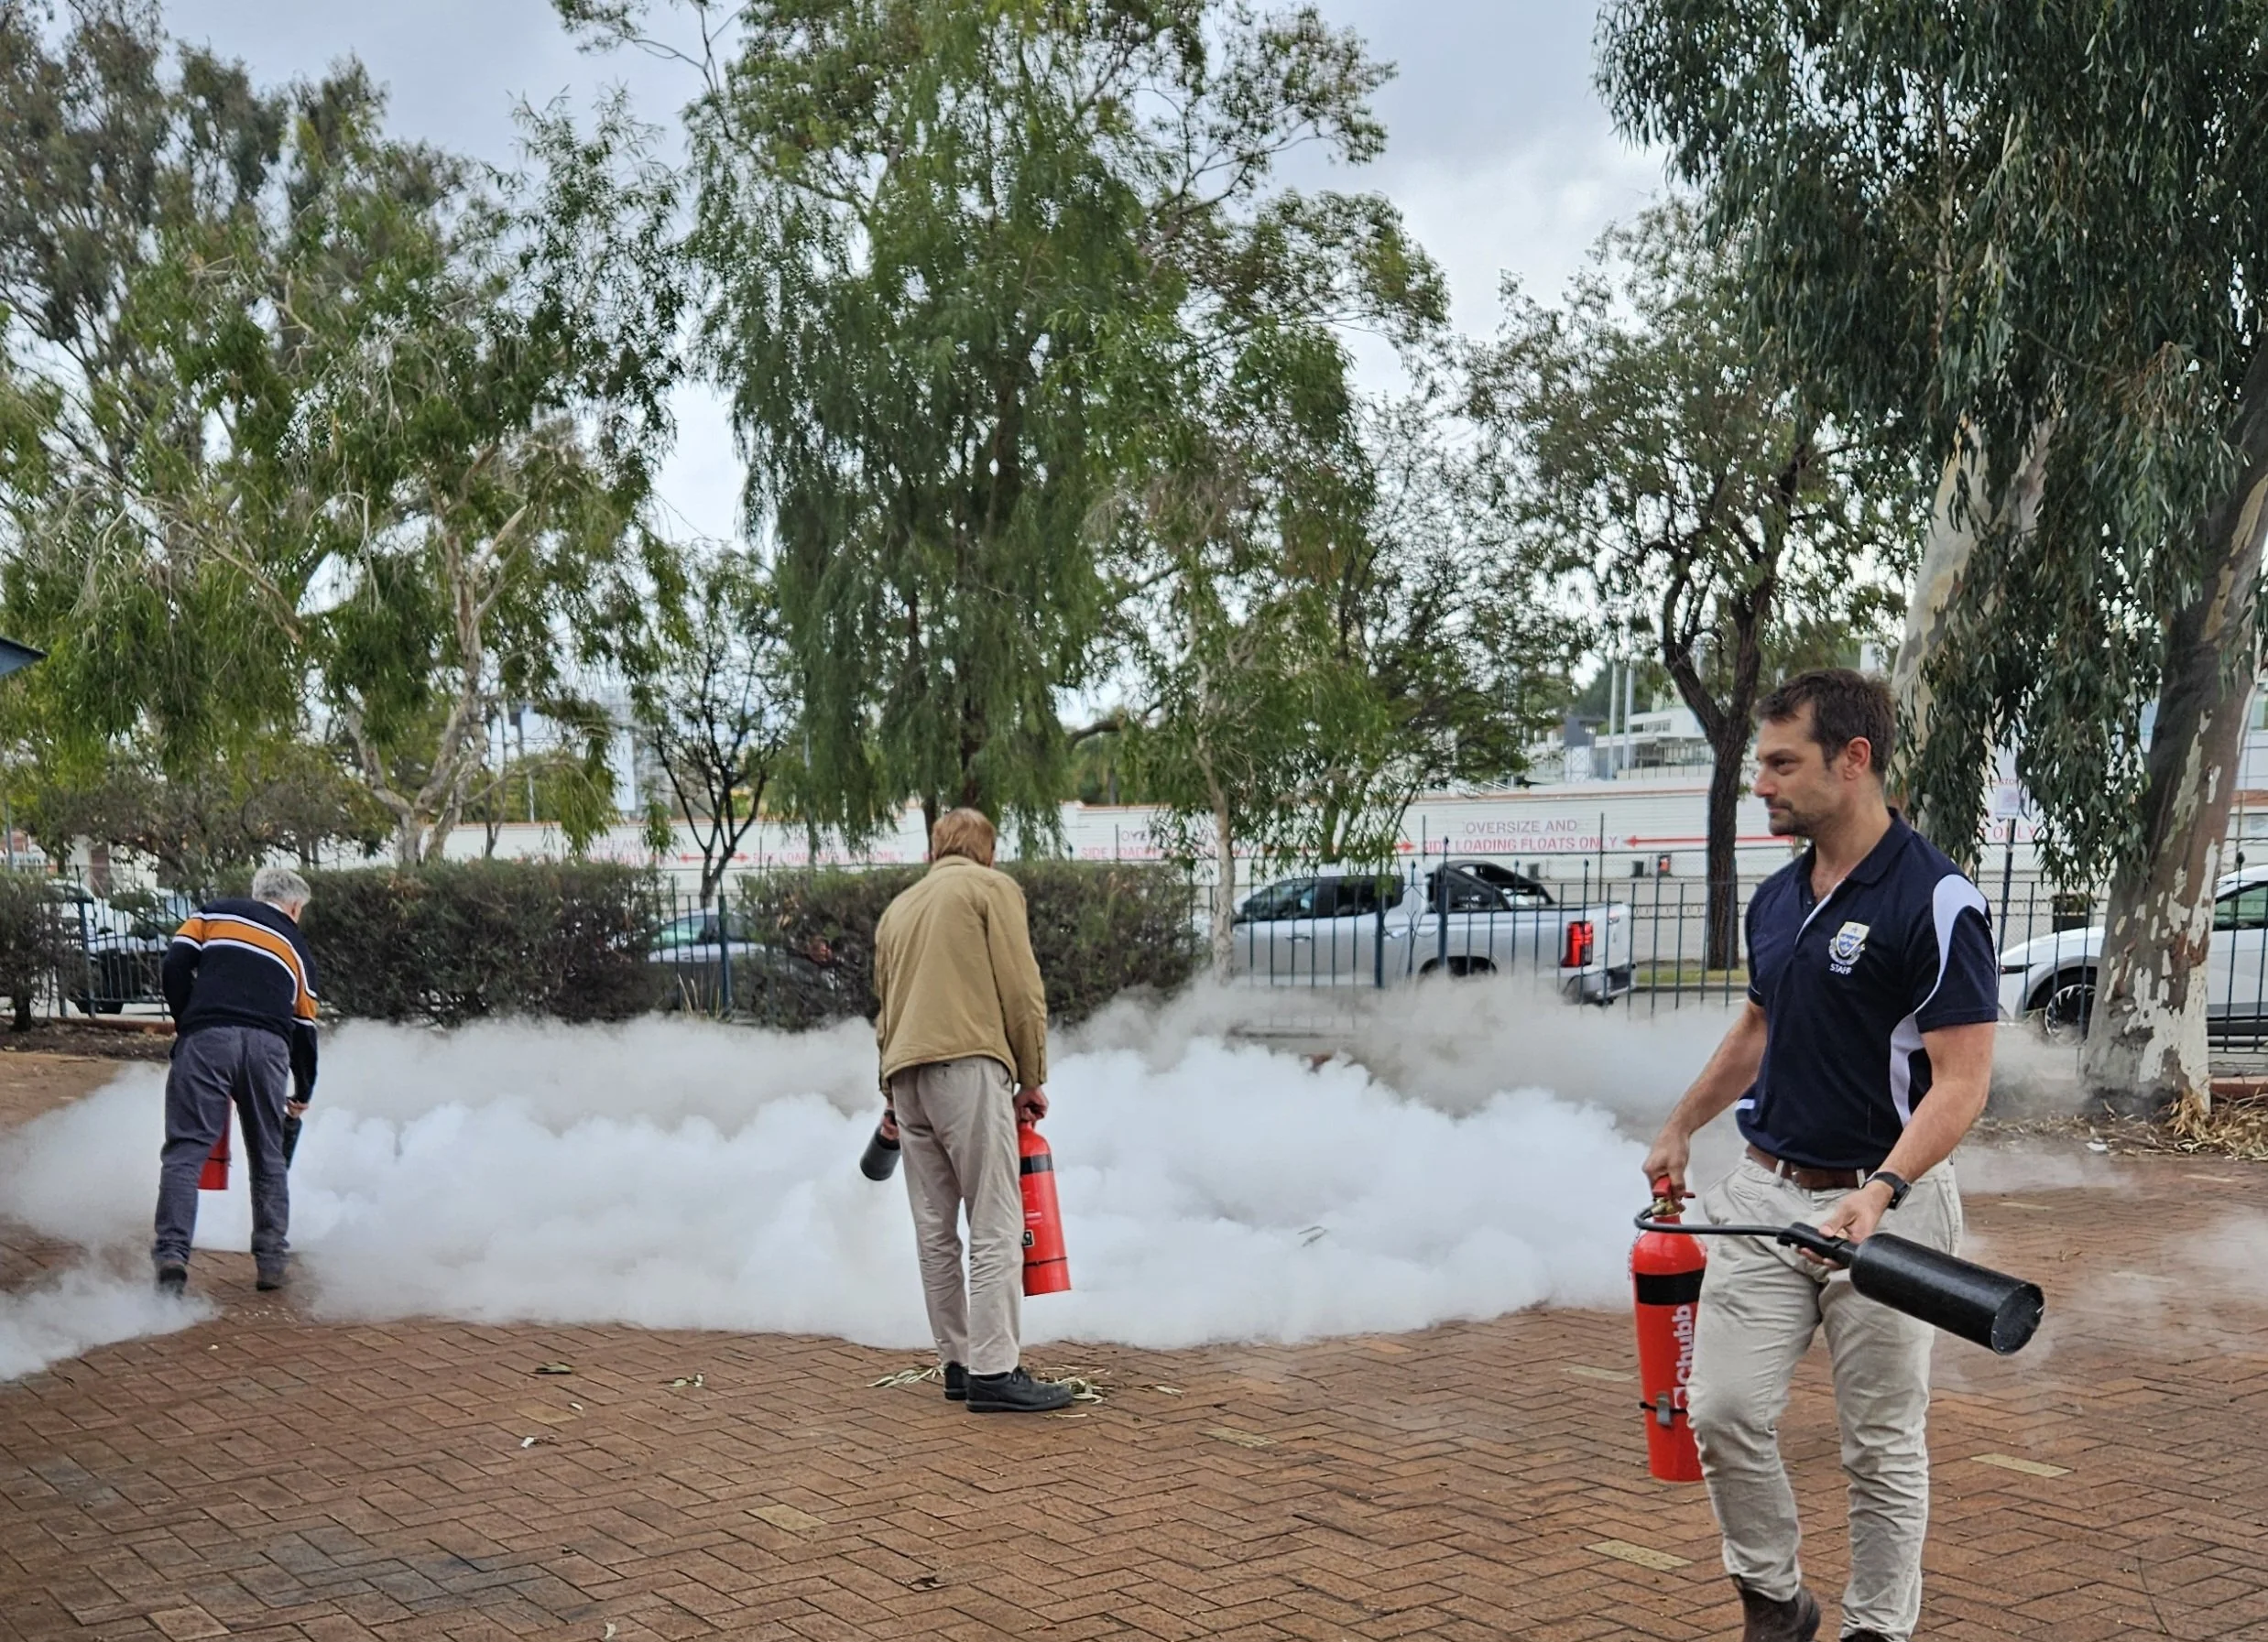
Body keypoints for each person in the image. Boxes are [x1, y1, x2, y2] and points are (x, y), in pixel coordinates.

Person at [1641, 670, 1999, 1642]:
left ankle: (1877, 1627)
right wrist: (1681, 1122)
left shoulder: (1936, 897)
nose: (1761, 782)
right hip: (1767, 1196)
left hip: (1890, 1209)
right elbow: (1759, 1023)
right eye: (1759, 763)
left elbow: (1961, 1081)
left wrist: (1882, 1188)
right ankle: (1774, 1599)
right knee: (1718, 1410)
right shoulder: (1778, 897)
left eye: (1781, 762)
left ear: (1853, 760)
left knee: (1879, 1446)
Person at [873, 808, 1073, 1414]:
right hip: (968, 1066)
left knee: (934, 1229)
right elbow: (1021, 987)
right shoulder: (991, 889)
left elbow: (885, 1009)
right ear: (987, 852)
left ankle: (957, 1364)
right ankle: (995, 1370)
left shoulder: (897, 911)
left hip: (906, 1077)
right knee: (993, 1218)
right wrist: (1031, 1075)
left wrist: (889, 1094)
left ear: (935, 849)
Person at [152, 865, 320, 1295]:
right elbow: (305, 1027)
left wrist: (187, 1019)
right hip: (269, 1049)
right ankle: (271, 1263)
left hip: (207, 1040)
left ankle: (172, 1256)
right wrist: (303, 1089)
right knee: (268, 1155)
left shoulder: (213, 913)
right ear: (294, 906)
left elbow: (175, 965)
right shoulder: (297, 947)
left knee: (186, 1151)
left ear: (257, 893)